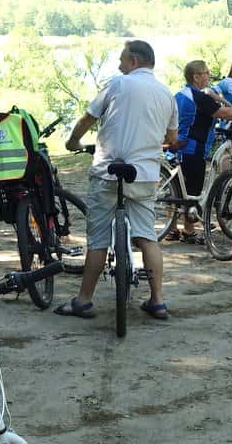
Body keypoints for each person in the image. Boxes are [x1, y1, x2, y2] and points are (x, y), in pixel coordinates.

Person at [61, 40, 179, 319]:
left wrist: (73, 141)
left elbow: (88, 118)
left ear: (134, 61)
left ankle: (83, 301)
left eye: (122, 59)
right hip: (144, 175)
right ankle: (157, 300)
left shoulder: (117, 84)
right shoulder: (167, 94)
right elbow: (172, 138)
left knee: (98, 239)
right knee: (147, 236)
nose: (119, 64)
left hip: (108, 171)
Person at [173, 60, 232, 242]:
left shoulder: (180, 94)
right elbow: (223, 113)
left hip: (177, 145)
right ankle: (189, 232)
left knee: (178, 190)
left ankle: (173, 229)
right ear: (196, 77)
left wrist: (219, 99)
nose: (208, 76)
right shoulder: (198, 97)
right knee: (192, 191)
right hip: (193, 148)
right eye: (206, 73)